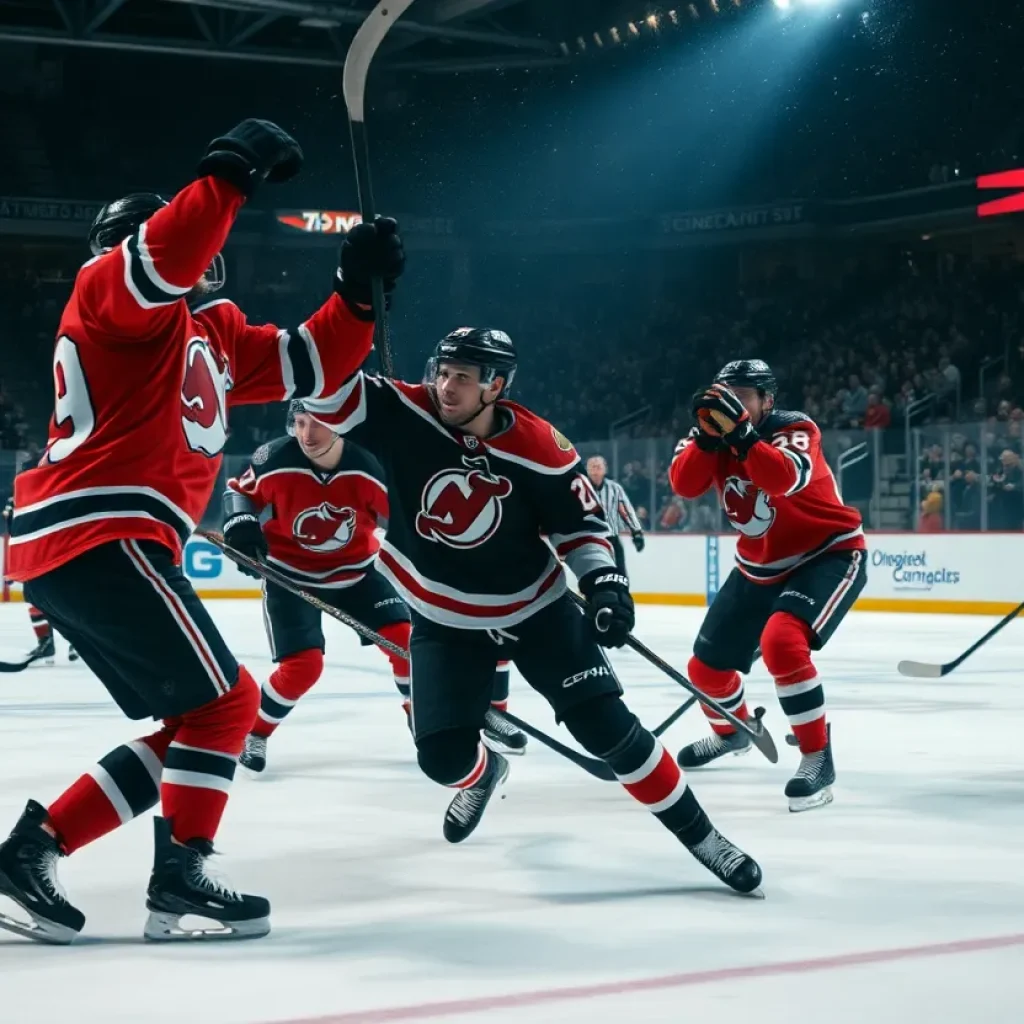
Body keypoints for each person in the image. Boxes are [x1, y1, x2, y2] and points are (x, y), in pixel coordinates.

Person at [0, 118, 405, 944]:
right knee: (231, 703)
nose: (205, 264)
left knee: (197, 720)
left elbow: (314, 363)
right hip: (97, 529)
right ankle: (180, 873)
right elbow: (162, 257)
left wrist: (358, 291)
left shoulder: (208, 334)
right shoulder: (106, 292)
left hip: (96, 540)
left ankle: (35, 850)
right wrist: (229, 170)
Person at [306, 327, 762, 894]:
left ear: (495, 385)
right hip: (443, 622)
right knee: (442, 760)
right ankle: (484, 772)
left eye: (463, 378)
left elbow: (583, 527)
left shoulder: (541, 445)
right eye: (443, 373)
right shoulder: (401, 409)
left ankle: (706, 839)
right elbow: (320, 388)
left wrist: (605, 585)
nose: (446, 387)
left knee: (612, 733)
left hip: (537, 611)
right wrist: (353, 302)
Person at [221, 400, 526, 774]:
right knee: (303, 668)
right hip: (290, 575)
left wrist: (444, 555)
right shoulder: (273, 458)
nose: (307, 435)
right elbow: (240, 493)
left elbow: (411, 521)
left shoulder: (370, 465)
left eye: (316, 423)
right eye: (299, 423)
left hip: (359, 573)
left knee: (406, 644)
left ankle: (424, 726)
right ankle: (255, 733)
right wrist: (239, 522)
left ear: (338, 423)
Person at [669, 359, 867, 812]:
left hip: (828, 554)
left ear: (767, 401)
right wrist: (705, 437)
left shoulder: (795, 427)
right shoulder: (708, 434)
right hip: (758, 566)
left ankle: (818, 758)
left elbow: (783, 478)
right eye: (725, 394)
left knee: (782, 643)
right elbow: (684, 484)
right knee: (705, 671)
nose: (731, 404)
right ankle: (731, 730)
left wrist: (740, 433)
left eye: (743, 396)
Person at [585, 455, 645, 574]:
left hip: (612, 540)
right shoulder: (581, 488)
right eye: (592, 467)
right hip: (590, 542)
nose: (595, 471)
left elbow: (626, 511)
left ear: (605, 469)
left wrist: (636, 533)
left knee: (621, 576)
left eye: (598, 467)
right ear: (587, 470)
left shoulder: (614, 488)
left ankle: (622, 593)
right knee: (594, 577)